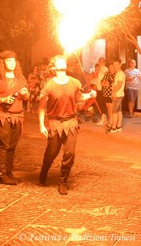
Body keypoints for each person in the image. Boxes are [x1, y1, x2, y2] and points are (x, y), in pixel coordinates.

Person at [38, 55, 96, 195]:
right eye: (58, 60)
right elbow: (41, 107)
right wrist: (41, 125)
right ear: (53, 67)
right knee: (51, 154)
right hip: (55, 123)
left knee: (70, 153)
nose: (61, 60)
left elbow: (78, 98)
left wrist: (89, 95)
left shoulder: (75, 82)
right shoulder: (49, 85)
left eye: (62, 59)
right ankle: (44, 169)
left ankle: (62, 181)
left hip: (70, 122)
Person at [0, 50, 30, 185]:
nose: (11, 63)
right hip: (3, 116)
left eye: (13, 61)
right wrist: (3, 99)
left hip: (17, 116)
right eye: (8, 61)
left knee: (12, 146)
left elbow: (27, 97)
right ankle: (0, 174)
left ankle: (8, 171)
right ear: (3, 62)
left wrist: (25, 94)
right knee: (3, 145)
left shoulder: (20, 78)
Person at [106, 59, 125, 133]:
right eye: (114, 65)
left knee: (114, 112)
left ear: (120, 64)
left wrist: (113, 92)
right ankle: (119, 126)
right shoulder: (119, 73)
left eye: (116, 65)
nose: (115, 66)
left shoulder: (120, 73)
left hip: (117, 95)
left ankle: (113, 127)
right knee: (119, 111)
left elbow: (119, 84)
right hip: (119, 94)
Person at [101, 62, 115, 131]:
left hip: (111, 93)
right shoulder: (107, 74)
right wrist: (105, 84)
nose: (111, 68)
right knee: (108, 108)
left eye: (112, 67)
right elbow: (102, 82)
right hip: (105, 93)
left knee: (111, 108)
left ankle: (111, 123)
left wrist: (106, 84)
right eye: (109, 67)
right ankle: (110, 122)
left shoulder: (115, 75)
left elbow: (110, 83)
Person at [95, 57, 109, 126]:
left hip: (102, 89)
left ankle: (104, 119)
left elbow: (107, 75)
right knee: (100, 104)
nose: (101, 63)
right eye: (100, 61)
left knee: (101, 104)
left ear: (104, 62)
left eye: (102, 61)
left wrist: (103, 82)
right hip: (100, 88)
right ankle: (104, 118)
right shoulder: (101, 69)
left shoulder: (104, 68)